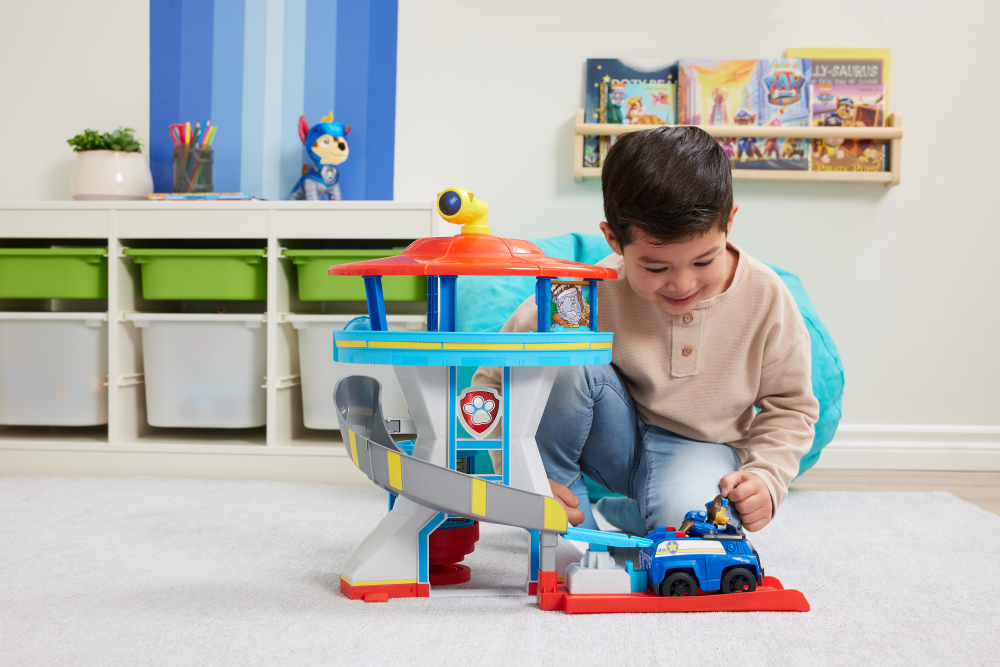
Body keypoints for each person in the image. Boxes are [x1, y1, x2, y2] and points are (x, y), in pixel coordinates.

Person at [471, 126, 818, 535]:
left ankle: (637, 513)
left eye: (704, 262)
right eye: (655, 267)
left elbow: (791, 407)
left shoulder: (766, 296)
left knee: (698, 532)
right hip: (608, 434)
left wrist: (767, 477)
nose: (682, 284)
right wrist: (519, 470)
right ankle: (566, 521)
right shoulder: (581, 294)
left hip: (701, 450)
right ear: (614, 240)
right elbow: (493, 379)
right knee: (557, 356)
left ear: (729, 222)